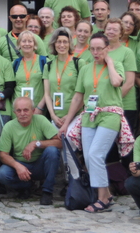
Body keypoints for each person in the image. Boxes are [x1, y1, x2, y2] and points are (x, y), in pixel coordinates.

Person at [60, 33, 126, 213]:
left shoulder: (116, 65)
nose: (96, 52)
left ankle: (102, 198)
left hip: (110, 114)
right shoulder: (86, 69)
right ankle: (106, 195)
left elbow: (116, 81)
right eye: (93, 49)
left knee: (96, 153)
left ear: (107, 48)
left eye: (100, 49)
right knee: (89, 157)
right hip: (89, 115)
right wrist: (67, 122)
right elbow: (78, 97)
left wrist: (110, 63)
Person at [0, 97, 61, 204]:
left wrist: (37, 143)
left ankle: (47, 191)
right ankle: (26, 186)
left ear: (33, 111)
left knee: (52, 151)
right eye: (19, 110)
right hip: (21, 164)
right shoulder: (9, 126)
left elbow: (59, 143)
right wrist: (17, 166)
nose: (22, 113)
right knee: (2, 174)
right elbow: (3, 155)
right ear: (14, 112)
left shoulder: (41, 120)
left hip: (39, 164)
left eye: (26, 110)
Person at [43, 28, 82, 176]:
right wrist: (52, 116)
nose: (62, 45)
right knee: (58, 146)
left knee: (68, 145)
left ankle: (74, 179)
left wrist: (69, 116)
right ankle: (68, 180)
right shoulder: (49, 65)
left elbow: (82, 93)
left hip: (74, 115)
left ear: (70, 44)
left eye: (65, 42)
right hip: (56, 116)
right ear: (54, 43)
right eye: (59, 41)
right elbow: (47, 94)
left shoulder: (79, 63)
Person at [103, 18, 138, 129]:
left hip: (125, 105)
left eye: (115, 30)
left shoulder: (127, 52)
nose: (111, 32)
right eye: (108, 29)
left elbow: (129, 82)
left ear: (121, 33)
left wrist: (111, 101)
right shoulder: (99, 52)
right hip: (103, 106)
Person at [12, 31, 48, 116]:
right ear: (19, 44)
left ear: (35, 44)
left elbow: (49, 89)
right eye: (24, 41)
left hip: (37, 109)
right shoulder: (15, 64)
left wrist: (40, 107)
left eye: (30, 41)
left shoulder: (44, 61)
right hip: (19, 111)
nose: (27, 44)